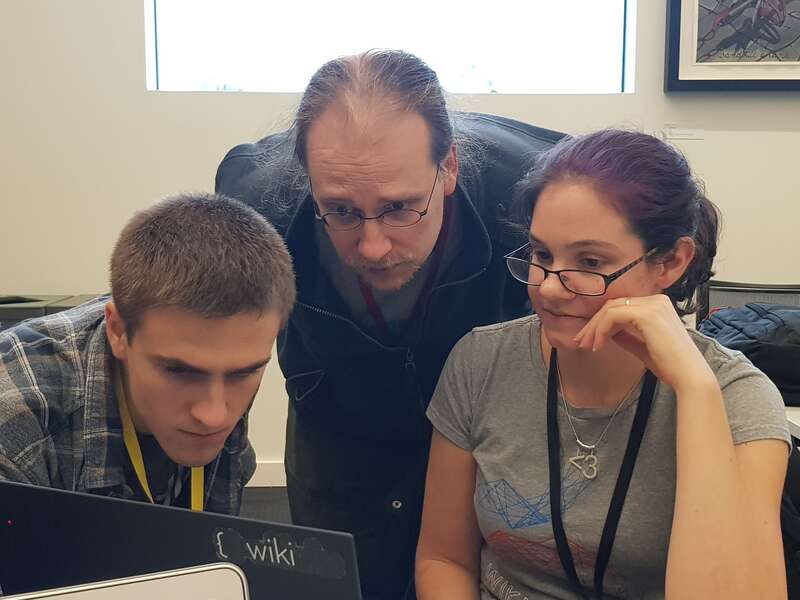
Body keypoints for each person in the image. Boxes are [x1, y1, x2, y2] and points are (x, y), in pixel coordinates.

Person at [215, 49, 565, 598]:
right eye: (342, 211)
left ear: (448, 167)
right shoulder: (256, 200)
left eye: (401, 207)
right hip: (334, 436)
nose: (373, 247)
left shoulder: (536, 189)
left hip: (486, 444)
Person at [416, 129, 790, 599]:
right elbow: (444, 558)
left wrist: (695, 389)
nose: (549, 288)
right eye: (541, 254)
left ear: (671, 262)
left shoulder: (738, 398)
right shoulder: (482, 362)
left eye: (589, 261)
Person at [0, 193, 296, 515]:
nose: (214, 415)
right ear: (117, 331)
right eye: (179, 372)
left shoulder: (211, 355)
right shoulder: (16, 425)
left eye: (244, 372)